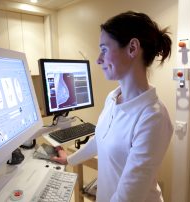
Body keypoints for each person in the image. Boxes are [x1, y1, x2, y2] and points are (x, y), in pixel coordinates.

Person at [52, 11, 173, 202]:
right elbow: (100, 139)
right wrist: (69, 159)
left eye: (104, 49)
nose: (98, 59)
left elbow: (127, 197)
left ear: (132, 48)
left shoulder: (153, 117)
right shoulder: (113, 98)